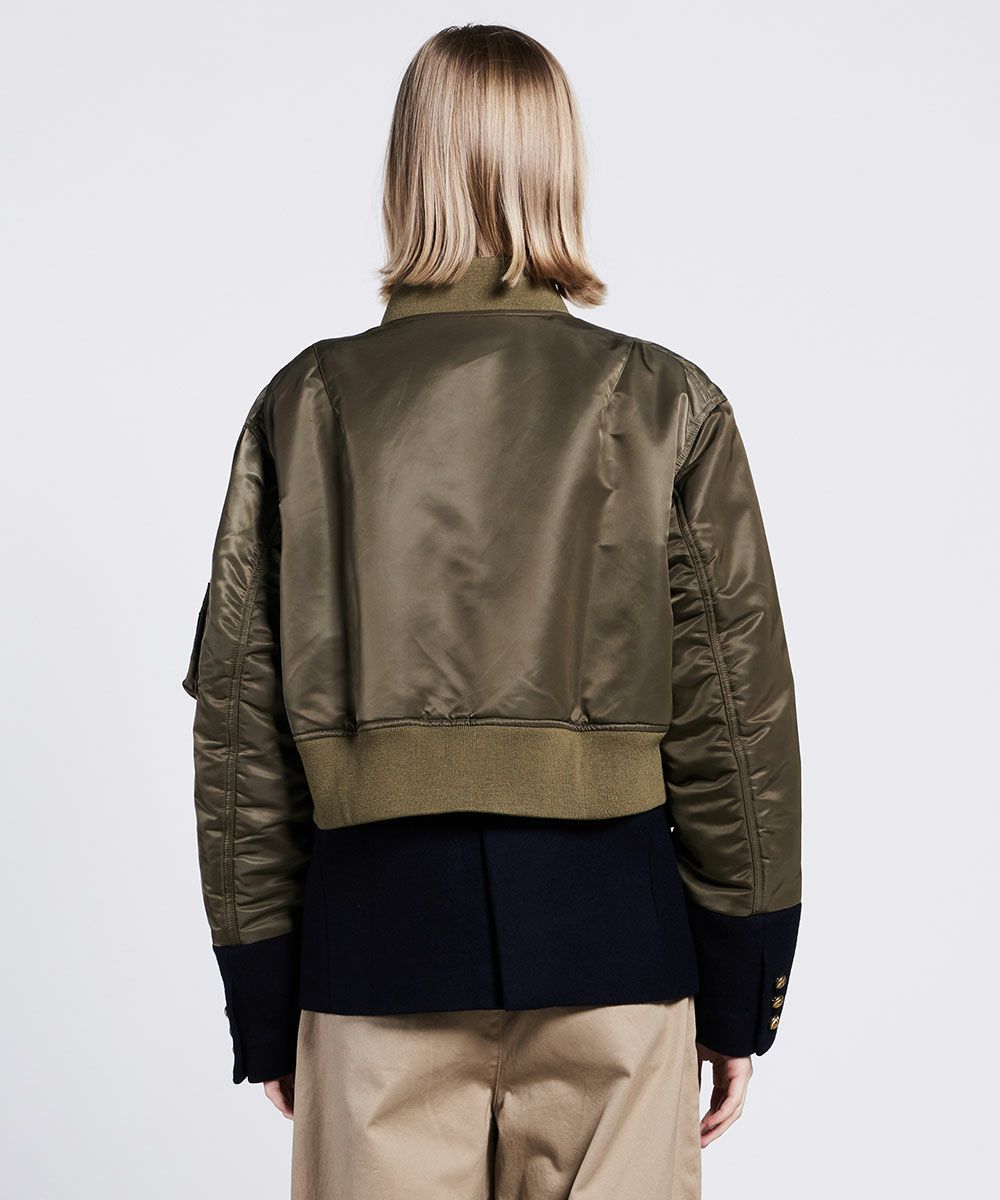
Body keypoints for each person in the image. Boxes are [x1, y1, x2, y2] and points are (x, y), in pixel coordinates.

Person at [183, 23, 802, 1200]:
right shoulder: (663, 399)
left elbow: (240, 729)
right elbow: (735, 719)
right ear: (560, 165)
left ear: (403, 167)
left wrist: (265, 995)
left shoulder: (305, 405)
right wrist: (742, 982)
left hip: (372, 960)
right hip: (617, 956)